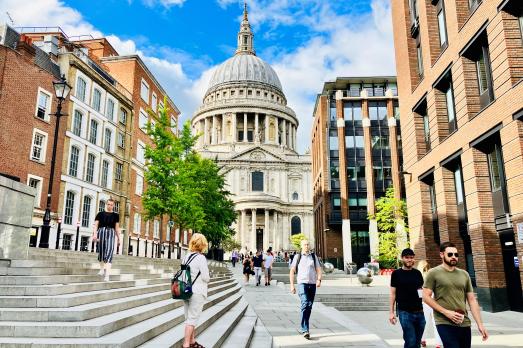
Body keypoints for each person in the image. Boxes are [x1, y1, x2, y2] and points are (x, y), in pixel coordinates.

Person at [423, 242, 489, 348]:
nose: (454, 257)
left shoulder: (464, 274)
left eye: (456, 255)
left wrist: (480, 324)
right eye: (450, 254)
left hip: (464, 321)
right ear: (441, 255)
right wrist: (446, 312)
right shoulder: (433, 273)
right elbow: (426, 297)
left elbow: (472, 300)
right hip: (444, 321)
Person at [389, 248, 426, 348]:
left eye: (411, 258)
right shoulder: (396, 274)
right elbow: (393, 294)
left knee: (417, 342)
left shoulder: (417, 273)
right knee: (411, 340)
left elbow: (421, 291)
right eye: (407, 258)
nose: (409, 260)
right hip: (405, 312)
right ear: (402, 258)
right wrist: (391, 312)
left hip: (419, 312)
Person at [181, 233, 210, 348]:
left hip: (185, 290)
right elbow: (205, 277)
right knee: (192, 319)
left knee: (189, 317)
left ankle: (192, 341)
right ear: (202, 244)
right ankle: (186, 344)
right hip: (197, 291)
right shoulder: (201, 258)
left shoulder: (186, 256)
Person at [289, 239, 322, 339]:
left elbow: (318, 269)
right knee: (305, 303)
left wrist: (319, 280)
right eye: (305, 245)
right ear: (301, 246)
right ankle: (305, 329)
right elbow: (292, 271)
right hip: (302, 284)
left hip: (312, 284)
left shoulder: (313, 256)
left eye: (308, 244)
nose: (307, 246)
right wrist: (292, 285)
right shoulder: (297, 257)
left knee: (309, 306)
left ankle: (305, 326)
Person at [91, 198, 121, 282]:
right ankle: (101, 269)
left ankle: (107, 275)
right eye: (108, 204)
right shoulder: (100, 214)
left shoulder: (116, 215)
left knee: (109, 253)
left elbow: (117, 228)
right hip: (101, 232)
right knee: (101, 252)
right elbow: (96, 225)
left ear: (113, 206)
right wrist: (94, 234)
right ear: (106, 204)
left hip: (111, 233)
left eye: (111, 205)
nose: (110, 206)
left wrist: (119, 239)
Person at [418, 260, 442, 348]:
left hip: (424, 302)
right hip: (434, 301)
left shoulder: (419, 277)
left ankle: (422, 339)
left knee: (424, 322)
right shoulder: (433, 275)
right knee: (436, 323)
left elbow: (419, 292)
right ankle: (438, 343)